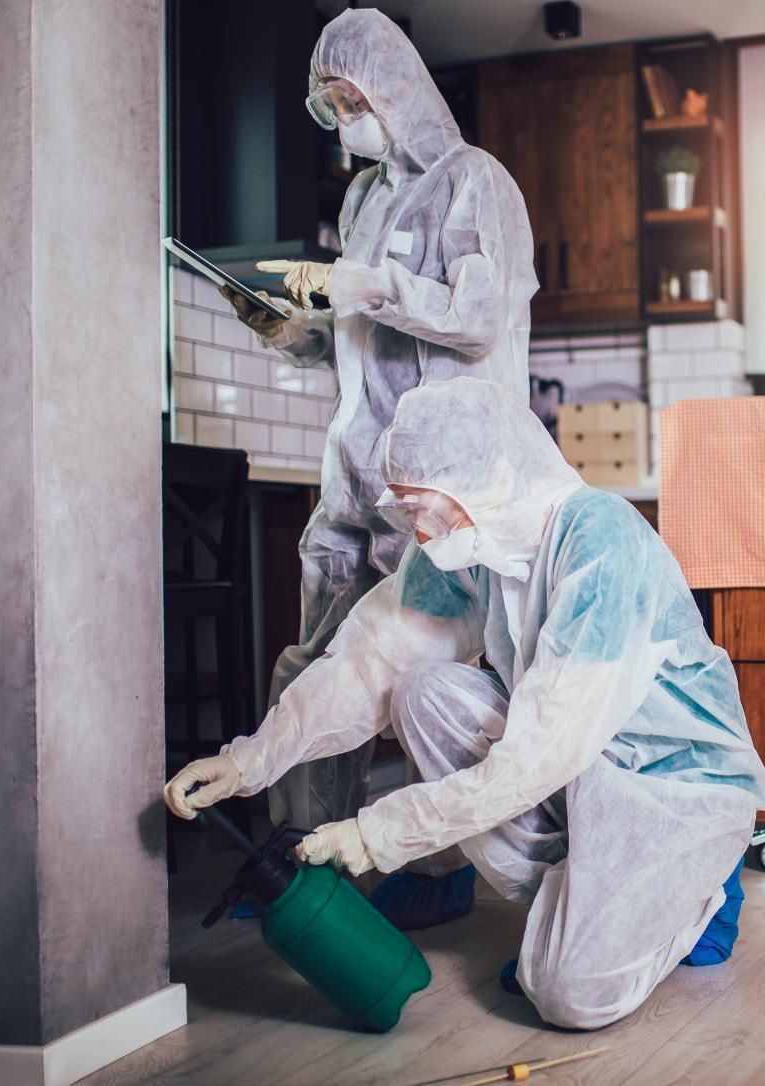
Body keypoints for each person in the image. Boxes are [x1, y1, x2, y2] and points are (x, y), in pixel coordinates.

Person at [165, 378, 765, 1030]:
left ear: (495, 476)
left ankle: (702, 889)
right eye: (408, 511)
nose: (420, 532)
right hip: (573, 769)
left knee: (568, 996)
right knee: (420, 689)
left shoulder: (602, 544)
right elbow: (371, 662)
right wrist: (250, 761)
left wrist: (380, 832)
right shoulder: (470, 544)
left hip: (669, 785)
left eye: (429, 509)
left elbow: (540, 753)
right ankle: (575, 911)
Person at [218, 9, 536, 833]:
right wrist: (290, 328)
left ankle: (450, 855)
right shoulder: (362, 196)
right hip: (355, 476)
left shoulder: (475, 181)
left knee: (432, 675)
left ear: (396, 90)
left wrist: (371, 285)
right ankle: (303, 850)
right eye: (329, 103)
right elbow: (361, 344)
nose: (343, 117)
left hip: (439, 485)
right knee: (317, 664)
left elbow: (478, 319)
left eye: (351, 97)